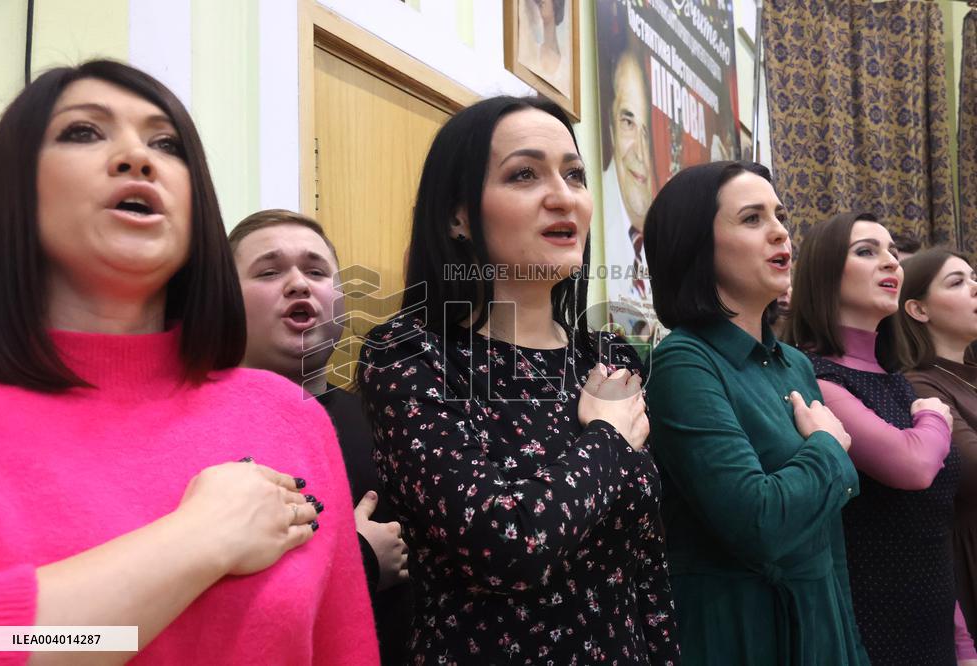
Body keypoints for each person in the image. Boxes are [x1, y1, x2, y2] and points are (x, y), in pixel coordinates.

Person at [0, 60, 377, 664]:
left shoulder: (288, 417)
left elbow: (343, 648)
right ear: (16, 189)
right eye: (84, 132)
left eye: (166, 144)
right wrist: (199, 540)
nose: (137, 157)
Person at [356, 95, 678, 664]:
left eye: (574, 174)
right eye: (525, 174)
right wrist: (603, 438)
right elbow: (508, 548)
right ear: (458, 216)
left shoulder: (605, 355)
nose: (564, 196)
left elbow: (645, 563)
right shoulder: (410, 354)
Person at [643, 161, 868, 665]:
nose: (780, 231)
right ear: (697, 245)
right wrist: (829, 449)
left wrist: (851, 648)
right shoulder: (683, 359)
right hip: (738, 633)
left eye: (780, 215)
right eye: (752, 218)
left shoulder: (794, 363)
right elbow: (757, 522)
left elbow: (827, 541)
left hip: (819, 624)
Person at [787, 212, 974, 665]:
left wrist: (963, 639)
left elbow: (928, 525)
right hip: (872, 619)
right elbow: (912, 466)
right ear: (826, 273)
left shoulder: (894, 379)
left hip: (932, 618)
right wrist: (933, 417)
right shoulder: (819, 377)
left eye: (891, 251)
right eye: (867, 252)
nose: (890, 262)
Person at [229, 208, 411, 665]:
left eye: (315, 270)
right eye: (269, 271)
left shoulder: (389, 418)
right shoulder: (201, 428)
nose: (297, 283)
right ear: (223, 300)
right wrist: (360, 559)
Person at [892, 249, 977, 645]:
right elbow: (971, 471)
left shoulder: (969, 372)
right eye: (957, 282)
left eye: (973, 276)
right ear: (918, 309)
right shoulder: (920, 383)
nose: (975, 287)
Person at [602, 46, 657, 336]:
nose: (639, 152)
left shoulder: (658, 233)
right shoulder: (590, 221)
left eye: (645, 133)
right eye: (627, 122)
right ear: (610, 129)